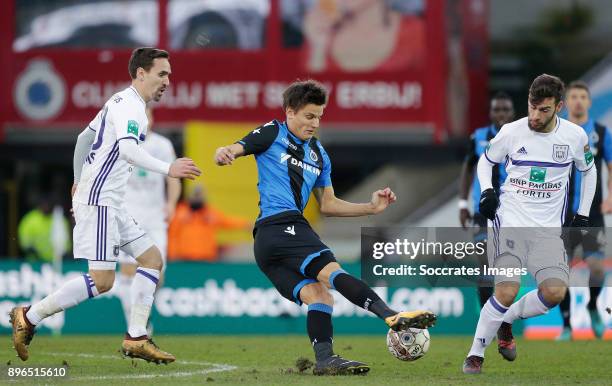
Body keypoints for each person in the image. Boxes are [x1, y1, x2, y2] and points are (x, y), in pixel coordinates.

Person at [214, 79, 436, 376]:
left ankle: (325, 360)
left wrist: (370, 208)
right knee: (333, 273)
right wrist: (225, 152)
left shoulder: (318, 153)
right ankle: (391, 315)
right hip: (280, 225)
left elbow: (329, 205)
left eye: (319, 116)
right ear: (290, 112)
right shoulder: (272, 132)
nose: (315, 123)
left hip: (272, 245)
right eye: (309, 116)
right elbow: (238, 147)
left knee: (320, 295)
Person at [9, 47, 201, 363]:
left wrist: (76, 178)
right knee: (103, 281)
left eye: (169, 74)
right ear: (141, 73)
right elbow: (127, 151)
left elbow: (84, 138)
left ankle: (136, 337)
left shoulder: (117, 101)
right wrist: (169, 168)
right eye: (162, 73)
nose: (168, 80)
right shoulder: (132, 108)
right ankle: (29, 316)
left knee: (152, 259)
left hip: (110, 201)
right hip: (99, 202)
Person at [462, 74, 597, 374]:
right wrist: (487, 191)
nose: (535, 116)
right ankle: (475, 354)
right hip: (509, 222)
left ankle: (506, 320)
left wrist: (584, 213)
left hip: (548, 232)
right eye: (532, 107)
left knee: (554, 293)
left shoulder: (575, 137)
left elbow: (589, 171)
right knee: (507, 289)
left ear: (559, 107)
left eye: (544, 110)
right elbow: (485, 161)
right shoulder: (512, 132)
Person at [115, 106, 181, 330]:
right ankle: (136, 328)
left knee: (157, 274)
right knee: (127, 272)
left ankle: (141, 317)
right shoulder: (122, 144)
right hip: (127, 217)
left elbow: (173, 178)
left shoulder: (162, 145)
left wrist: (171, 203)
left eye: (148, 117)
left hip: (155, 219)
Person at [557, 80, 610, 340]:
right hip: (563, 213)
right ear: (566, 103)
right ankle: (566, 326)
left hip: (593, 213)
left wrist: (610, 197)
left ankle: (592, 307)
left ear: (589, 102)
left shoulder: (600, 131)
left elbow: (611, 166)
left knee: (598, 268)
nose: (578, 101)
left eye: (582, 97)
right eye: (573, 97)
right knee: (560, 270)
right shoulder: (558, 132)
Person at [458, 92, 514, 307]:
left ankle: (502, 315)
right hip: (482, 211)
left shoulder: (520, 136)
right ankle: (486, 317)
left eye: (505, 109)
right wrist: (463, 204)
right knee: (485, 263)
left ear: (512, 113)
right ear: (490, 113)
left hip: (510, 211)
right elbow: (467, 169)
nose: (501, 114)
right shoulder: (479, 137)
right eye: (496, 109)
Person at [167, 184, 250, 261]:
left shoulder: (210, 213)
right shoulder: (180, 212)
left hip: (207, 258)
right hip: (184, 258)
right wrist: (172, 255)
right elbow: (170, 232)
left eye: (199, 195)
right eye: (195, 195)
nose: (197, 198)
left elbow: (228, 222)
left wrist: (246, 224)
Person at [18, 196, 71, 262]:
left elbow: (66, 243)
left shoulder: (59, 220)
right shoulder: (30, 219)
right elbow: (24, 240)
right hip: (34, 262)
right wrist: (30, 249)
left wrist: (64, 253)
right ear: (39, 205)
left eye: (48, 205)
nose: (46, 207)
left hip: (55, 262)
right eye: (43, 205)